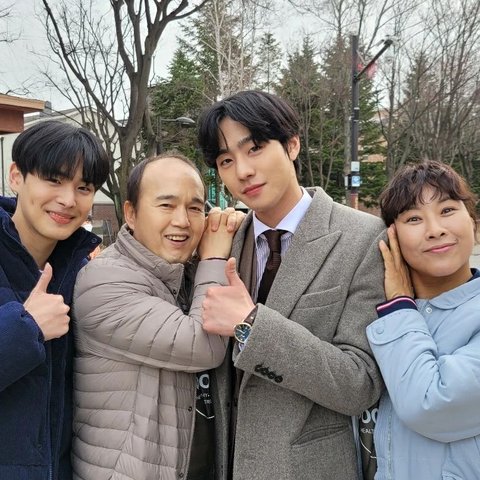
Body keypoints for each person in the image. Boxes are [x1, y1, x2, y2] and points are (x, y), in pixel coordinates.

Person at [197, 90, 386, 480]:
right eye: (226, 160)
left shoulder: (362, 237)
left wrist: (251, 325)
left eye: (255, 148)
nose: (243, 171)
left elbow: (360, 383)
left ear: (292, 145)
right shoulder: (222, 242)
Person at [71, 152, 243, 480]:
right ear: (131, 214)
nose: (182, 220)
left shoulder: (181, 274)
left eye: (195, 208)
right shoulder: (103, 281)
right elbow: (203, 346)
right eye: (166, 205)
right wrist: (214, 259)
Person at [0, 120, 109, 480]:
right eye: (54, 180)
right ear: (16, 177)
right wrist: (26, 328)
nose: (68, 199)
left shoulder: (82, 274)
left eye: (84, 187)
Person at [366, 160, 480, 480]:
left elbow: (431, 405)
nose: (435, 229)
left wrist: (400, 308)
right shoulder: (375, 311)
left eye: (447, 210)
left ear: (474, 224)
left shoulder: (395, 315)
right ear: (392, 237)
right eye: (414, 218)